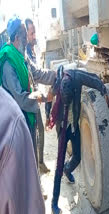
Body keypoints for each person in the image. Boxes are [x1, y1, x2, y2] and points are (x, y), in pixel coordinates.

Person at [49, 66, 108, 214]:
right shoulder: (58, 79)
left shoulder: (77, 76)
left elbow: (93, 78)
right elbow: (50, 98)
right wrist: (48, 115)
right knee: (59, 163)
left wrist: (104, 90)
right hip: (62, 127)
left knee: (78, 156)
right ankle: (53, 203)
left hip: (74, 125)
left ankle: (68, 170)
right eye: (64, 100)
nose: (66, 102)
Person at [0, 16, 56, 166]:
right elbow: (20, 98)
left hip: (26, 118)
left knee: (31, 157)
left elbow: (37, 73)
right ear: (17, 37)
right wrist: (45, 97)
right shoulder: (8, 62)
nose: (28, 40)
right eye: (25, 37)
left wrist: (56, 76)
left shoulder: (21, 55)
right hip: (16, 124)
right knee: (23, 164)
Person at [0, 86, 45, 214]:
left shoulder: (24, 65)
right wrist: (42, 97)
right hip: (25, 115)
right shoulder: (10, 120)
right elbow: (21, 98)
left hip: (29, 116)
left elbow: (37, 73)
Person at [25, 18, 50, 173]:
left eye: (34, 32)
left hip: (35, 97)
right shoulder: (23, 53)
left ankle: (40, 163)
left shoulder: (31, 50)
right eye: (31, 32)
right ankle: (36, 172)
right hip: (28, 101)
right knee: (34, 134)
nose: (34, 36)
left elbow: (36, 73)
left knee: (40, 129)